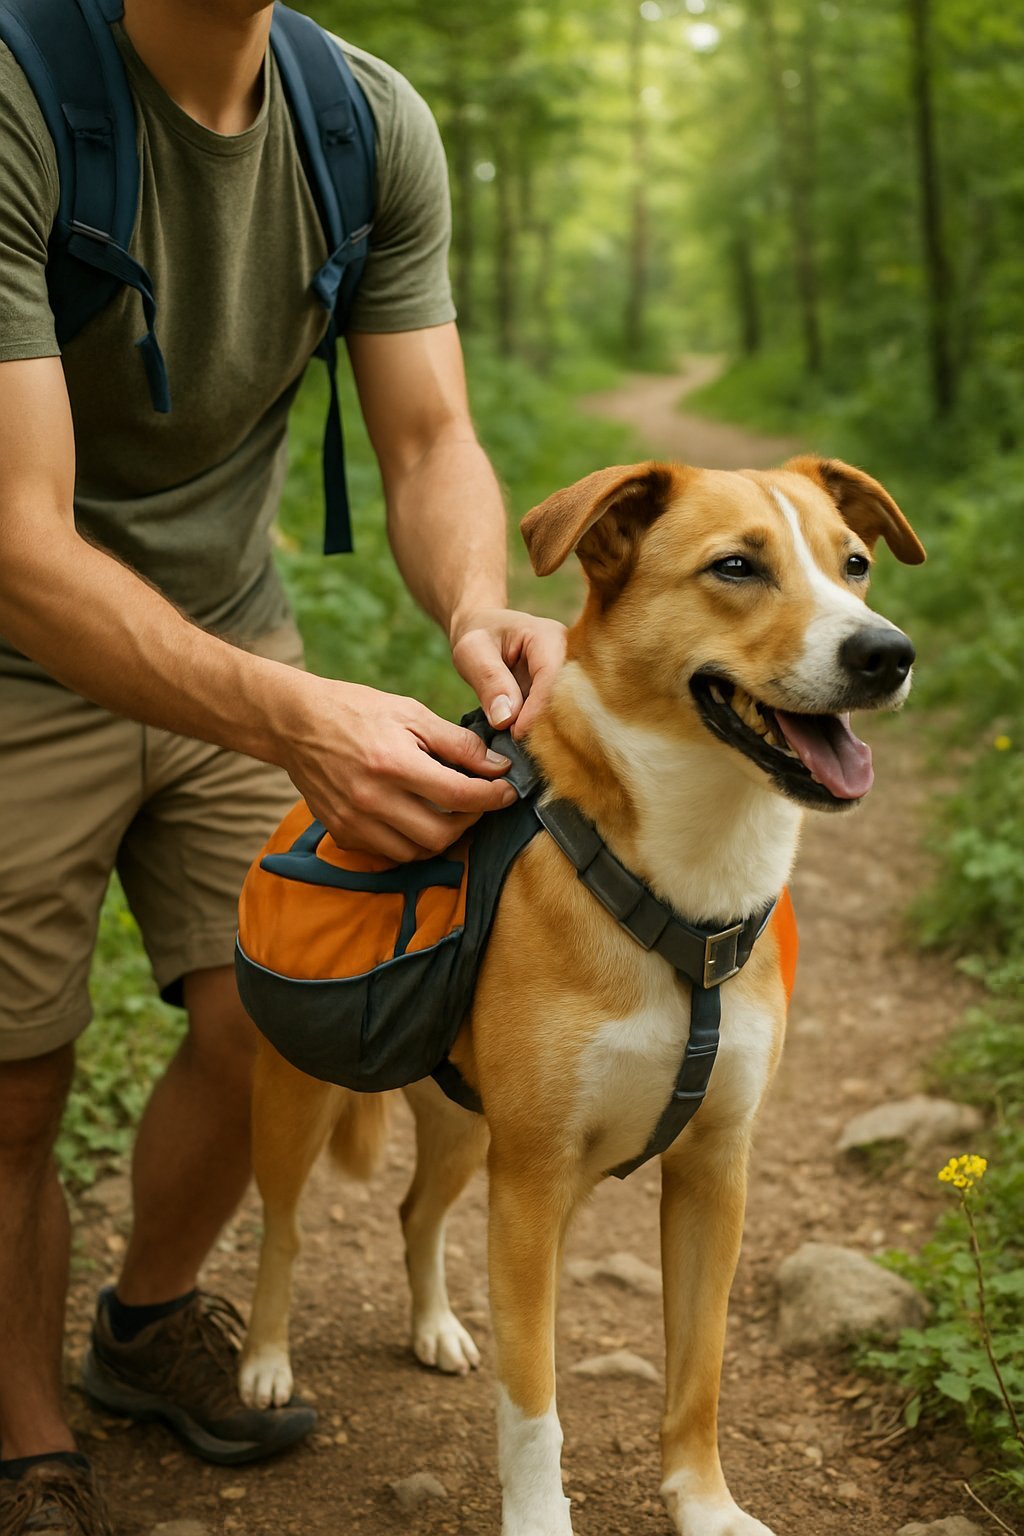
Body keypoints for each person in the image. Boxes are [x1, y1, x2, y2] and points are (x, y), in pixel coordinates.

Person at [0, 1, 566, 1530]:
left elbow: (433, 435)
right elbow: (19, 541)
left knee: (283, 1017)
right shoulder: (19, 94)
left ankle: (141, 1326)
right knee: (15, 1084)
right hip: (12, 653)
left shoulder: (364, 124)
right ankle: (24, 1422)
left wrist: (472, 607)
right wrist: (299, 716)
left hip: (233, 630)